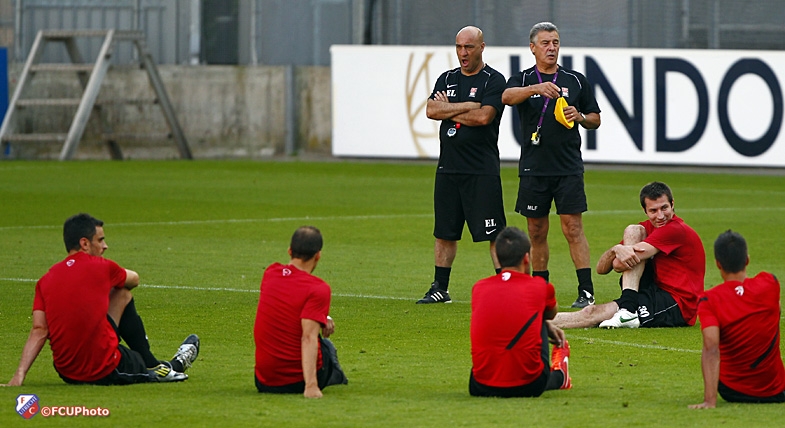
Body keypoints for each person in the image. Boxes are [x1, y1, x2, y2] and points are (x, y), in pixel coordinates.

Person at [5, 213, 199, 386]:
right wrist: (109, 283)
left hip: (67, 372)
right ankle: (167, 365)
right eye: (101, 240)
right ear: (85, 243)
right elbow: (134, 279)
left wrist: (19, 375)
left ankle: (159, 365)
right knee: (124, 296)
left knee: (119, 295)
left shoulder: (45, 280)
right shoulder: (101, 267)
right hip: (104, 369)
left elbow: (40, 329)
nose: (105, 246)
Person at [501, 22, 601, 309]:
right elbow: (506, 97)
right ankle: (540, 289)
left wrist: (580, 116)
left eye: (555, 42)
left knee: (573, 228)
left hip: (568, 166)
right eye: (545, 43)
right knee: (536, 230)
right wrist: (535, 88)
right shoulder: (522, 79)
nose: (552, 48)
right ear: (532, 48)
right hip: (534, 167)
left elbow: (596, 118)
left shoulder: (576, 80)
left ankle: (586, 291)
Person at [417, 25, 507, 304]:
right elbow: (432, 110)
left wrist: (451, 108)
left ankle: (506, 286)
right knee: (445, 232)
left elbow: (484, 118)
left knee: (494, 233)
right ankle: (439, 288)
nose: (463, 53)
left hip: (481, 170)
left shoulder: (494, 80)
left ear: (482, 47)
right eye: (458, 47)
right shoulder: (447, 78)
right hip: (449, 168)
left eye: (468, 47)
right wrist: (469, 104)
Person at [553, 181, 705, 329]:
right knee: (633, 230)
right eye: (653, 211)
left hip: (677, 303)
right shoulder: (646, 228)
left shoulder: (675, 229)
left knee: (593, 313)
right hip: (653, 290)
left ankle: (628, 309)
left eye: (664, 208)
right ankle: (628, 309)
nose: (660, 216)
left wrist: (621, 252)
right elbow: (601, 269)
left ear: (672, 204)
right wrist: (615, 249)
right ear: (645, 211)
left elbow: (619, 265)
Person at [470, 226, 572, 397]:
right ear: (526, 258)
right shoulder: (541, 286)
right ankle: (560, 376)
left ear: (498, 257)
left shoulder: (479, 287)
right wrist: (545, 325)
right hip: (530, 385)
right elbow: (551, 313)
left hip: (480, 386)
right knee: (538, 315)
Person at [689, 230, 785, 408]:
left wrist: (709, 401)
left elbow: (711, 349)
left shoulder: (709, 299)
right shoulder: (770, 283)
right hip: (777, 390)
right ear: (747, 259)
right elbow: (776, 313)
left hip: (732, 390)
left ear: (718, 264)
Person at [254, 226, 348, 398]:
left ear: (289, 251)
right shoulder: (318, 289)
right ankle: (332, 372)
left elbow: (288, 304)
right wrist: (311, 386)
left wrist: (323, 317)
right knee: (324, 344)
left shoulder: (270, 272)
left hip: (263, 380)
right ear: (318, 255)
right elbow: (308, 337)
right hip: (297, 381)